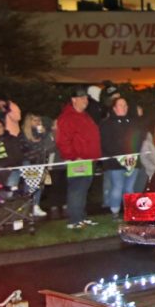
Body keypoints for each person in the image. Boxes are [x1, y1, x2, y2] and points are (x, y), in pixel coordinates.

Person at [56, 87, 101, 230]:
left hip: (89, 159)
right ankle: (74, 220)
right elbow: (63, 140)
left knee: (83, 190)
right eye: (81, 98)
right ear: (73, 100)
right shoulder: (67, 117)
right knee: (77, 189)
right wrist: (73, 157)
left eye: (86, 98)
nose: (85, 101)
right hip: (78, 160)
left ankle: (81, 216)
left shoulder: (84, 115)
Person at [100, 96, 141, 216]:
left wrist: (132, 154)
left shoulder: (133, 122)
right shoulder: (107, 124)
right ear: (114, 108)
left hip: (132, 161)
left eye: (125, 105)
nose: (123, 107)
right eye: (120, 105)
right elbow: (106, 143)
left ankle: (131, 212)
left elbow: (138, 140)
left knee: (129, 188)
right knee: (117, 187)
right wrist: (121, 156)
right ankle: (115, 211)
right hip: (115, 164)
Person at [20, 113, 55, 217]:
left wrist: (44, 134)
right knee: (30, 185)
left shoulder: (41, 132)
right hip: (29, 162)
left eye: (38, 120)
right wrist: (35, 147)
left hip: (40, 162)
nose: (37, 122)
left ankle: (36, 205)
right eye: (34, 120)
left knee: (39, 185)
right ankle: (28, 207)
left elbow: (48, 146)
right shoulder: (23, 134)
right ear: (29, 121)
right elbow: (24, 149)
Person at [0, 119, 25, 189]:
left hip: (10, 169)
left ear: (4, 128)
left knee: (10, 190)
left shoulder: (11, 139)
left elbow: (17, 156)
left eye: (0, 127)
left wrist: (12, 166)